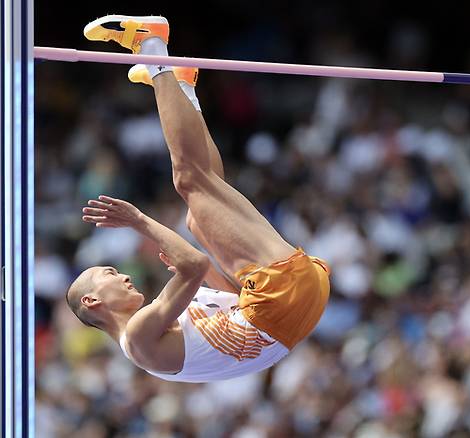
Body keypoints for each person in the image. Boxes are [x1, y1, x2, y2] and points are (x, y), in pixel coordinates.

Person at [66, 15, 331, 382]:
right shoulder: (138, 338)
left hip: (293, 305)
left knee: (200, 213)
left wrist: (204, 272)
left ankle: (183, 86)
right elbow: (193, 263)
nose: (123, 274)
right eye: (109, 273)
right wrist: (138, 221)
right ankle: (152, 44)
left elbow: (234, 296)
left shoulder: (162, 327)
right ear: (92, 301)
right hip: (282, 301)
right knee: (188, 180)